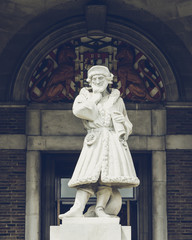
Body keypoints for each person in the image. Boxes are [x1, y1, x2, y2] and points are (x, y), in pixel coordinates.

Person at [59, 65, 140, 219]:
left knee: (107, 177)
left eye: (100, 78)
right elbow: (79, 111)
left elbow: (128, 125)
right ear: (90, 81)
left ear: (108, 80)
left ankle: (100, 209)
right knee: (87, 175)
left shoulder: (117, 100)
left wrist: (122, 122)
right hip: (94, 139)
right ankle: (78, 207)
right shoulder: (85, 97)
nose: (97, 81)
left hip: (112, 139)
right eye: (94, 79)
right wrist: (95, 98)